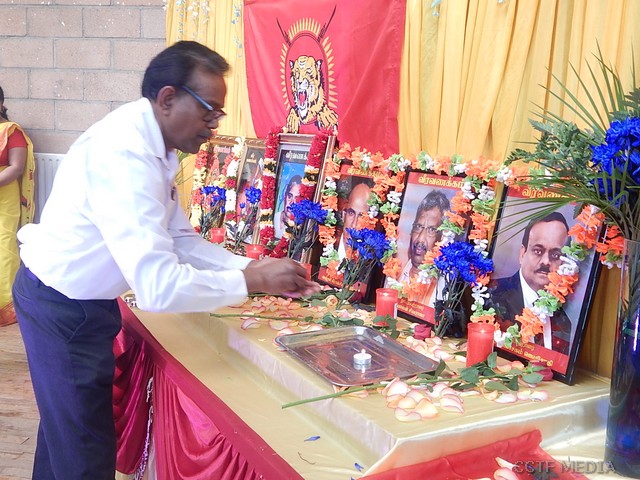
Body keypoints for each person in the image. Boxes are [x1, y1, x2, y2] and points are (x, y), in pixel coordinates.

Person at [11, 41, 319, 479]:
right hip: (62, 307)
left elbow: (179, 240)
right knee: (82, 454)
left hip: (81, 302)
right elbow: (157, 287)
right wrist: (252, 281)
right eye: (209, 111)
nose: (214, 125)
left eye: (218, 114)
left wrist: (248, 268)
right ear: (168, 98)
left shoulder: (156, 146)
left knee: (67, 439)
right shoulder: (123, 155)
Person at [490, 211, 572, 354]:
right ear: (522, 254)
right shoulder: (493, 296)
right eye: (538, 251)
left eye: (555, 255)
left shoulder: (563, 321)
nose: (546, 261)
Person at [0, 86, 35, 327]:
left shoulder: (11, 131)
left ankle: (7, 306)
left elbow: (16, 167)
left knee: (4, 246)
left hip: (4, 195)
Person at [387, 189, 449, 306]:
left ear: (441, 238)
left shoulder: (443, 286)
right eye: (418, 227)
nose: (420, 239)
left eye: (431, 230)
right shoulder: (395, 271)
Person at [337, 179, 372, 261]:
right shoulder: (327, 245)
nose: (354, 224)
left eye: (361, 216)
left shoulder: (369, 260)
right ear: (344, 215)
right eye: (351, 213)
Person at [274, 174, 302, 238]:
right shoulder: (274, 218)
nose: (292, 202)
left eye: (296, 198)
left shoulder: (300, 227)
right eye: (289, 196)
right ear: (285, 196)